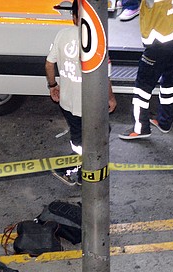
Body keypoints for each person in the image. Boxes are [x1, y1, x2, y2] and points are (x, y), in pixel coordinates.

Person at [45, 0, 117, 185]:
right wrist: (110, 98)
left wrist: (52, 86)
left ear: (74, 17)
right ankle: (80, 172)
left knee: (77, 138)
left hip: (67, 103)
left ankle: (76, 167)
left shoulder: (62, 35)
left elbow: (49, 64)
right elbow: (105, 76)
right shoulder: (97, 41)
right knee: (99, 133)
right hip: (91, 105)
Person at [118, 0, 173, 140]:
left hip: (159, 42)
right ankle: (165, 121)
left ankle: (140, 128)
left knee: (142, 86)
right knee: (169, 78)